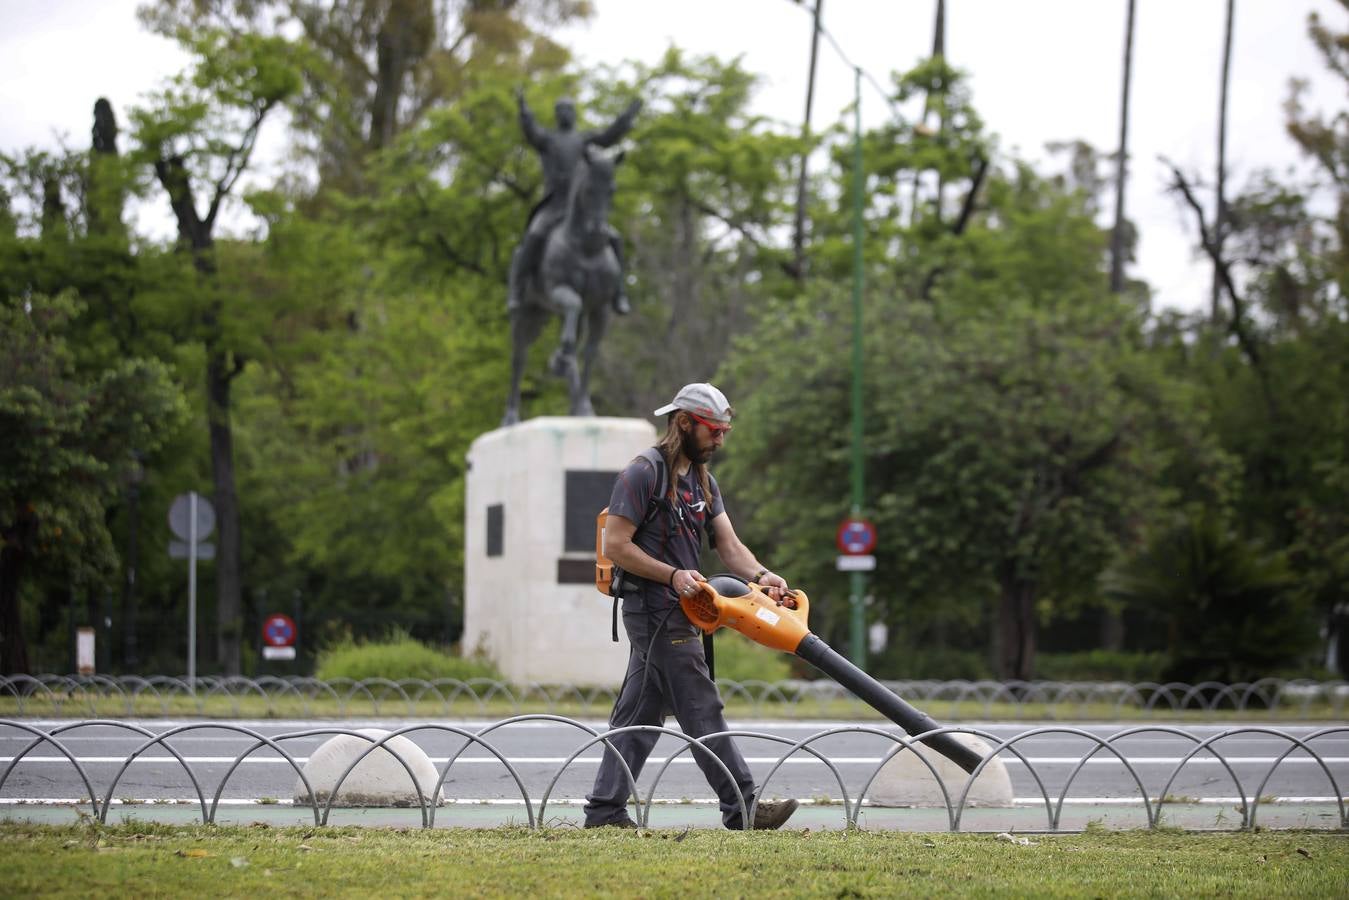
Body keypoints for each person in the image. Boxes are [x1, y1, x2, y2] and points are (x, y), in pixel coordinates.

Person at [584, 383, 800, 830]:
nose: (720, 440)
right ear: (684, 423)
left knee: (638, 713)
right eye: (713, 431)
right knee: (701, 704)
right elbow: (617, 545)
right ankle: (743, 808)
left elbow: (729, 546)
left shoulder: (703, 480)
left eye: (724, 431)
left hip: (687, 610)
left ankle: (604, 812)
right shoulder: (642, 473)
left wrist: (763, 577)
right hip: (654, 609)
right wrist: (672, 574)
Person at [508, 90, 641, 316]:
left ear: (574, 113)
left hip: (581, 208)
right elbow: (532, 133)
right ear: (556, 115)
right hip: (554, 205)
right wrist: (524, 112)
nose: (565, 114)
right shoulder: (549, 140)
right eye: (561, 110)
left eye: (569, 109)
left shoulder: (584, 140)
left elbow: (608, 137)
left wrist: (626, 117)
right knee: (533, 237)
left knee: (615, 239)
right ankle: (517, 290)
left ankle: (619, 291)